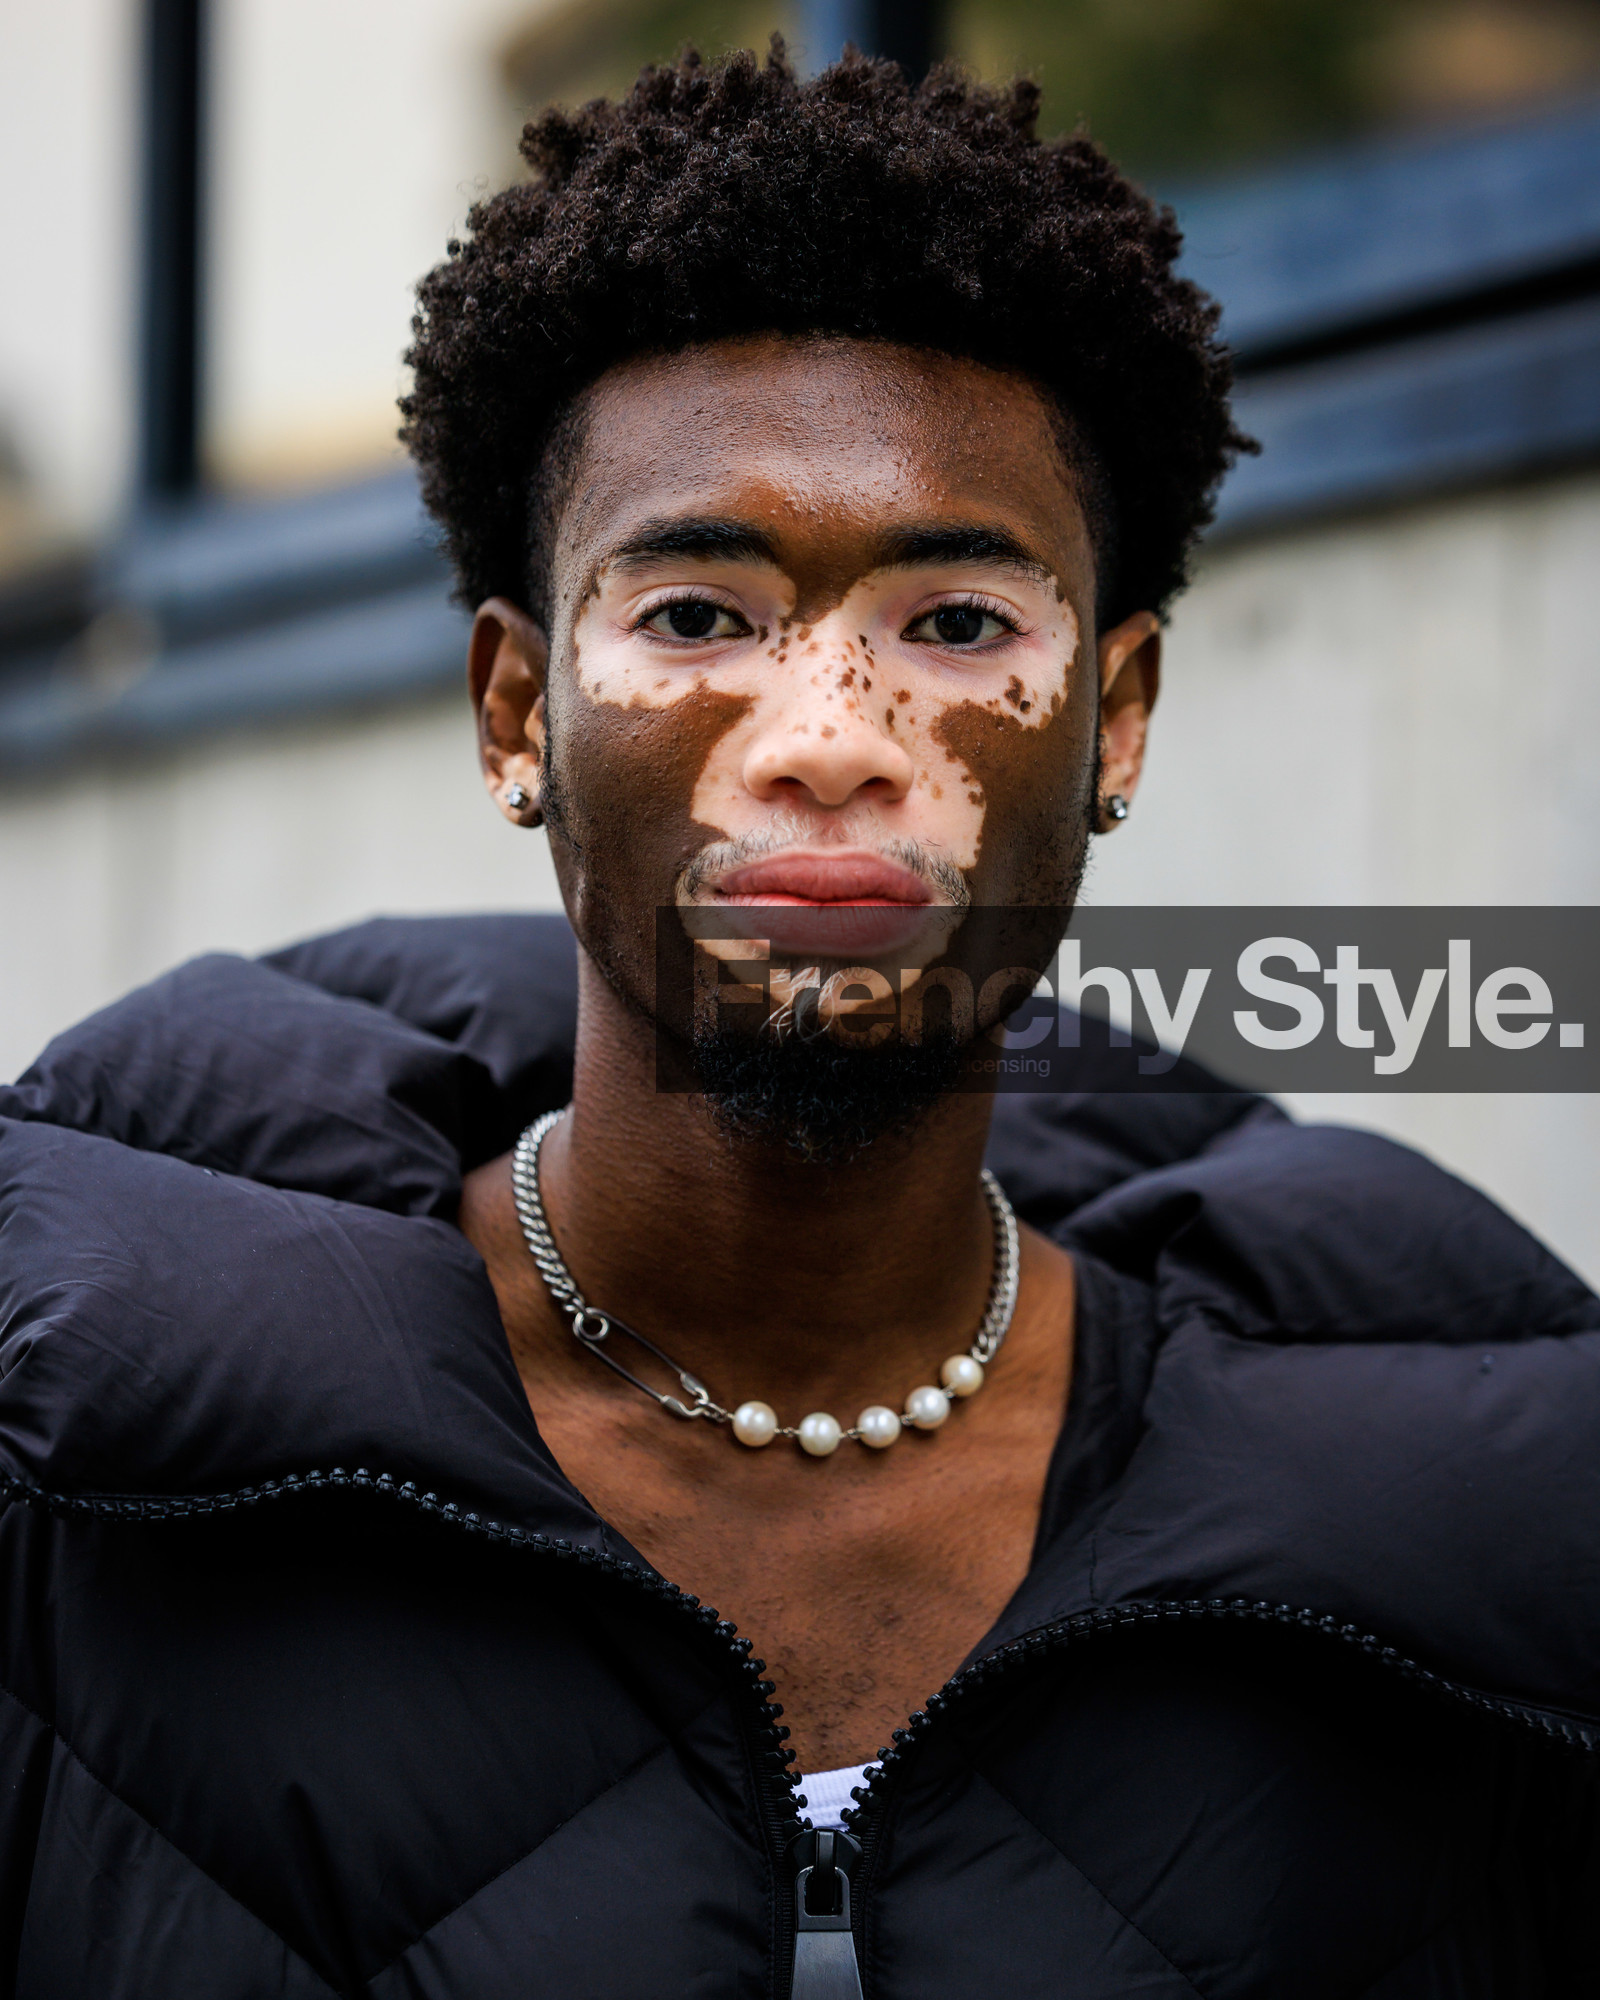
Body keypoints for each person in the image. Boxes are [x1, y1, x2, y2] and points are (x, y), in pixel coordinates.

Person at [1, 46, 1596, 1997]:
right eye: (694, 617)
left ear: (1118, 716)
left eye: (953, 626)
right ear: (516, 710)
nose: (831, 742)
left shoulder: (1488, 1559)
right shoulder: (67, 1467)